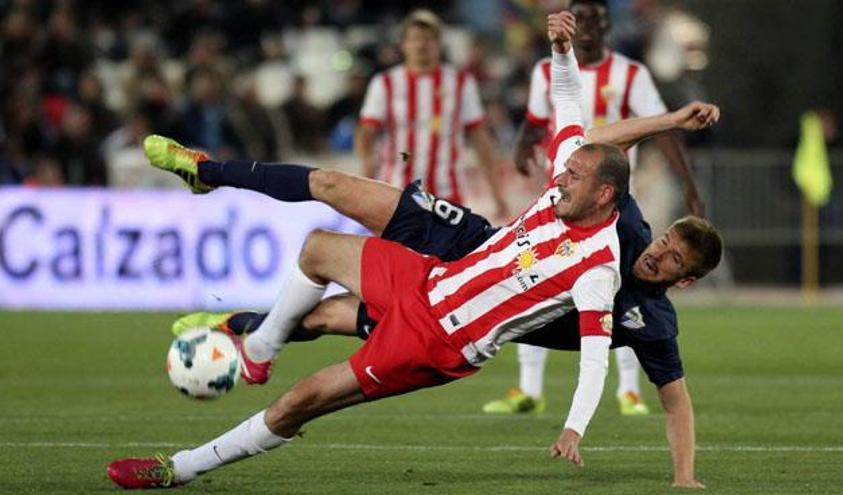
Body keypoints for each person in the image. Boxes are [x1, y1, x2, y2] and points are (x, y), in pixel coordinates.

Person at [107, 13, 719, 489]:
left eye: (573, 176)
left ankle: (179, 468)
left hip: (439, 338)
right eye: (665, 244)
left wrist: (574, 428)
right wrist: (560, 48)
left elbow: (594, 363)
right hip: (430, 274)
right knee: (318, 245)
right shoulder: (589, 191)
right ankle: (256, 331)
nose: (557, 178)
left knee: (301, 400)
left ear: (604, 193)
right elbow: (571, 112)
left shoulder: (599, 268)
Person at [507, 0, 706, 417]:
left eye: (598, 20)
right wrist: (524, 147)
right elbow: (535, 119)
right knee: (534, 277)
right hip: (562, 191)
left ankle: (629, 389)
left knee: (626, 285)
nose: (589, 29)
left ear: (607, 27)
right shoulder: (548, 69)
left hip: (614, 200)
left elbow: (663, 125)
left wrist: (687, 183)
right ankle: (528, 387)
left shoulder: (630, 74)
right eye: (583, 21)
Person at [356, 9, 509, 219]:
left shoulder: (461, 83)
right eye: (414, 39)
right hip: (397, 191)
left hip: (448, 195)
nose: (421, 45)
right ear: (403, 44)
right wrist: (366, 184)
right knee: (398, 252)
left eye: (428, 39)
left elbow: (480, 138)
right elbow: (366, 133)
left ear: (439, 44)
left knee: (446, 253)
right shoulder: (385, 83)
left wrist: (497, 196)